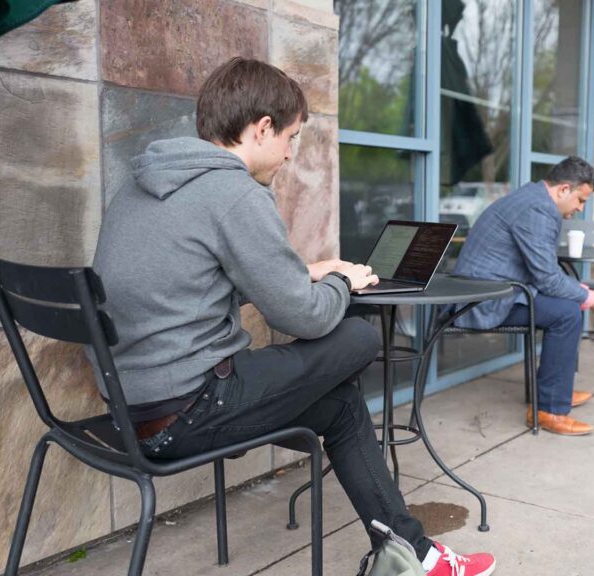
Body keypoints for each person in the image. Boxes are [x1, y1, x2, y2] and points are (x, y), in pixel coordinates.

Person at [91, 57, 494, 576]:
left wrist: (299, 272)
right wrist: (338, 281)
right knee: (356, 339)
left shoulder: (140, 186)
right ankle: (413, 556)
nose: (289, 154)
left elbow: (177, 294)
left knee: (342, 406)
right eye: (291, 138)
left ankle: (410, 555)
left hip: (129, 410)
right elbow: (308, 321)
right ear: (262, 129)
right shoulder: (235, 192)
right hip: (189, 412)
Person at [452, 157, 594, 436]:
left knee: (569, 305)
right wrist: (593, 298)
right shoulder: (539, 209)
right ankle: (549, 409)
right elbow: (547, 278)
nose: (580, 209)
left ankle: (557, 390)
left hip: (495, 290)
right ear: (563, 189)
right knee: (567, 314)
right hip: (482, 302)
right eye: (581, 200)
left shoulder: (533, 198)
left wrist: (587, 294)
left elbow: (546, 274)